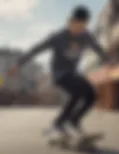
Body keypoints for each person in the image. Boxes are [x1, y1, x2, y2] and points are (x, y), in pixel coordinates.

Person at [9, 6, 112, 140]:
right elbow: (36, 49)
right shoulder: (58, 37)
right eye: (77, 25)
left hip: (73, 73)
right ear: (71, 22)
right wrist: (19, 63)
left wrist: (108, 60)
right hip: (60, 74)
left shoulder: (86, 36)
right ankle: (64, 124)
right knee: (77, 91)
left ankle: (67, 123)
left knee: (92, 95)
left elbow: (98, 48)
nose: (80, 29)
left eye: (83, 26)